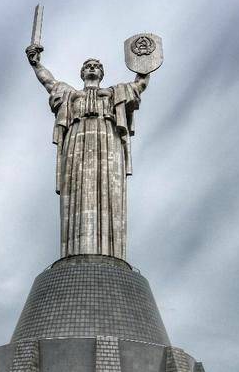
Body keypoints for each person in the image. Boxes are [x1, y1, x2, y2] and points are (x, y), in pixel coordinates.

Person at [26, 44, 149, 260]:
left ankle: (110, 253)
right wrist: (36, 64)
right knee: (77, 187)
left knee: (109, 187)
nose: (92, 68)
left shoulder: (114, 93)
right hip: (77, 143)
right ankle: (75, 252)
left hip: (107, 139)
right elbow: (48, 82)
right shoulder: (70, 94)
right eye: (88, 66)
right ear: (82, 73)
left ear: (101, 73)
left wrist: (145, 62)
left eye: (96, 66)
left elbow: (139, 85)